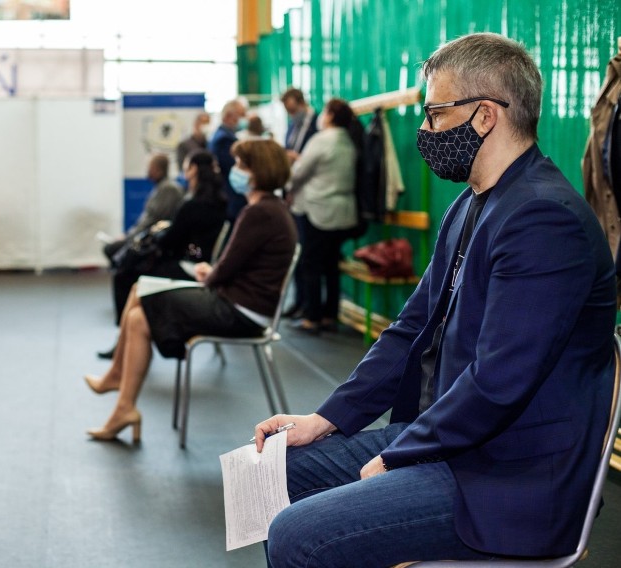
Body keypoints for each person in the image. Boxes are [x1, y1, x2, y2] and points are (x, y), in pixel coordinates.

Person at [256, 32, 617, 567]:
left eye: (434, 114)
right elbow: (410, 330)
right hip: (450, 443)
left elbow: (498, 382)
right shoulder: (471, 205)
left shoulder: (545, 219)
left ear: (486, 116)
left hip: (506, 478)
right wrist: (326, 418)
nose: (424, 131)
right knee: (272, 472)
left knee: (295, 535)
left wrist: (399, 454)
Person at [85, 139, 297, 442]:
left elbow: (225, 269)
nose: (232, 170)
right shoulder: (269, 209)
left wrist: (209, 275)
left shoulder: (259, 213)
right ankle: (122, 399)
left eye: (240, 165)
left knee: (138, 311)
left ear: (256, 171)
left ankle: (123, 400)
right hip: (240, 305)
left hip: (239, 312)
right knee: (139, 299)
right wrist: (211, 274)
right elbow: (233, 266)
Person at [109, 150, 227, 325]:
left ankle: (125, 331)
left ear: (193, 169)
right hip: (197, 257)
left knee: (125, 275)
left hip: (191, 263)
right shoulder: (219, 202)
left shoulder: (192, 205)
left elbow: (174, 240)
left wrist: (160, 237)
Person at [286, 98, 360, 334]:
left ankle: (312, 317)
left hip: (317, 210)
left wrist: (293, 164)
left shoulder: (320, 140)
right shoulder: (349, 141)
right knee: (331, 265)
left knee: (310, 263)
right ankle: (330, 315)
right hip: (343, 211)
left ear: (328, 116)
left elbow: (298, 174)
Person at [102, 154, 184, 266]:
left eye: (150, 167)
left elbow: (152, 221)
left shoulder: (168, 189)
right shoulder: (161, 189)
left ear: (158, 169)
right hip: (145, 237)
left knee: (111, 249)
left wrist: (129, 237)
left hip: (151, 241)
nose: (147, 171)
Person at [280, 87, 319, 320]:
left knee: (307, 255)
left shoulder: (315, 124)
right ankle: (300, 301)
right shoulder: (292, 126)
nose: (290, 113)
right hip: (294, 194)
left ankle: (307, 305)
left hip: (309, 197)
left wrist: (298, 159)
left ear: (300, 103)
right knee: (298, 251)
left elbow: (310, 161)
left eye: (292, 109)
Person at [209, 99, 249, 224]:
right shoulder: (224, 140)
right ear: (229, 116)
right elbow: (235, 168)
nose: (244, 119)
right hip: (231, 198)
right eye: (241, 115)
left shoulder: (224, 135)